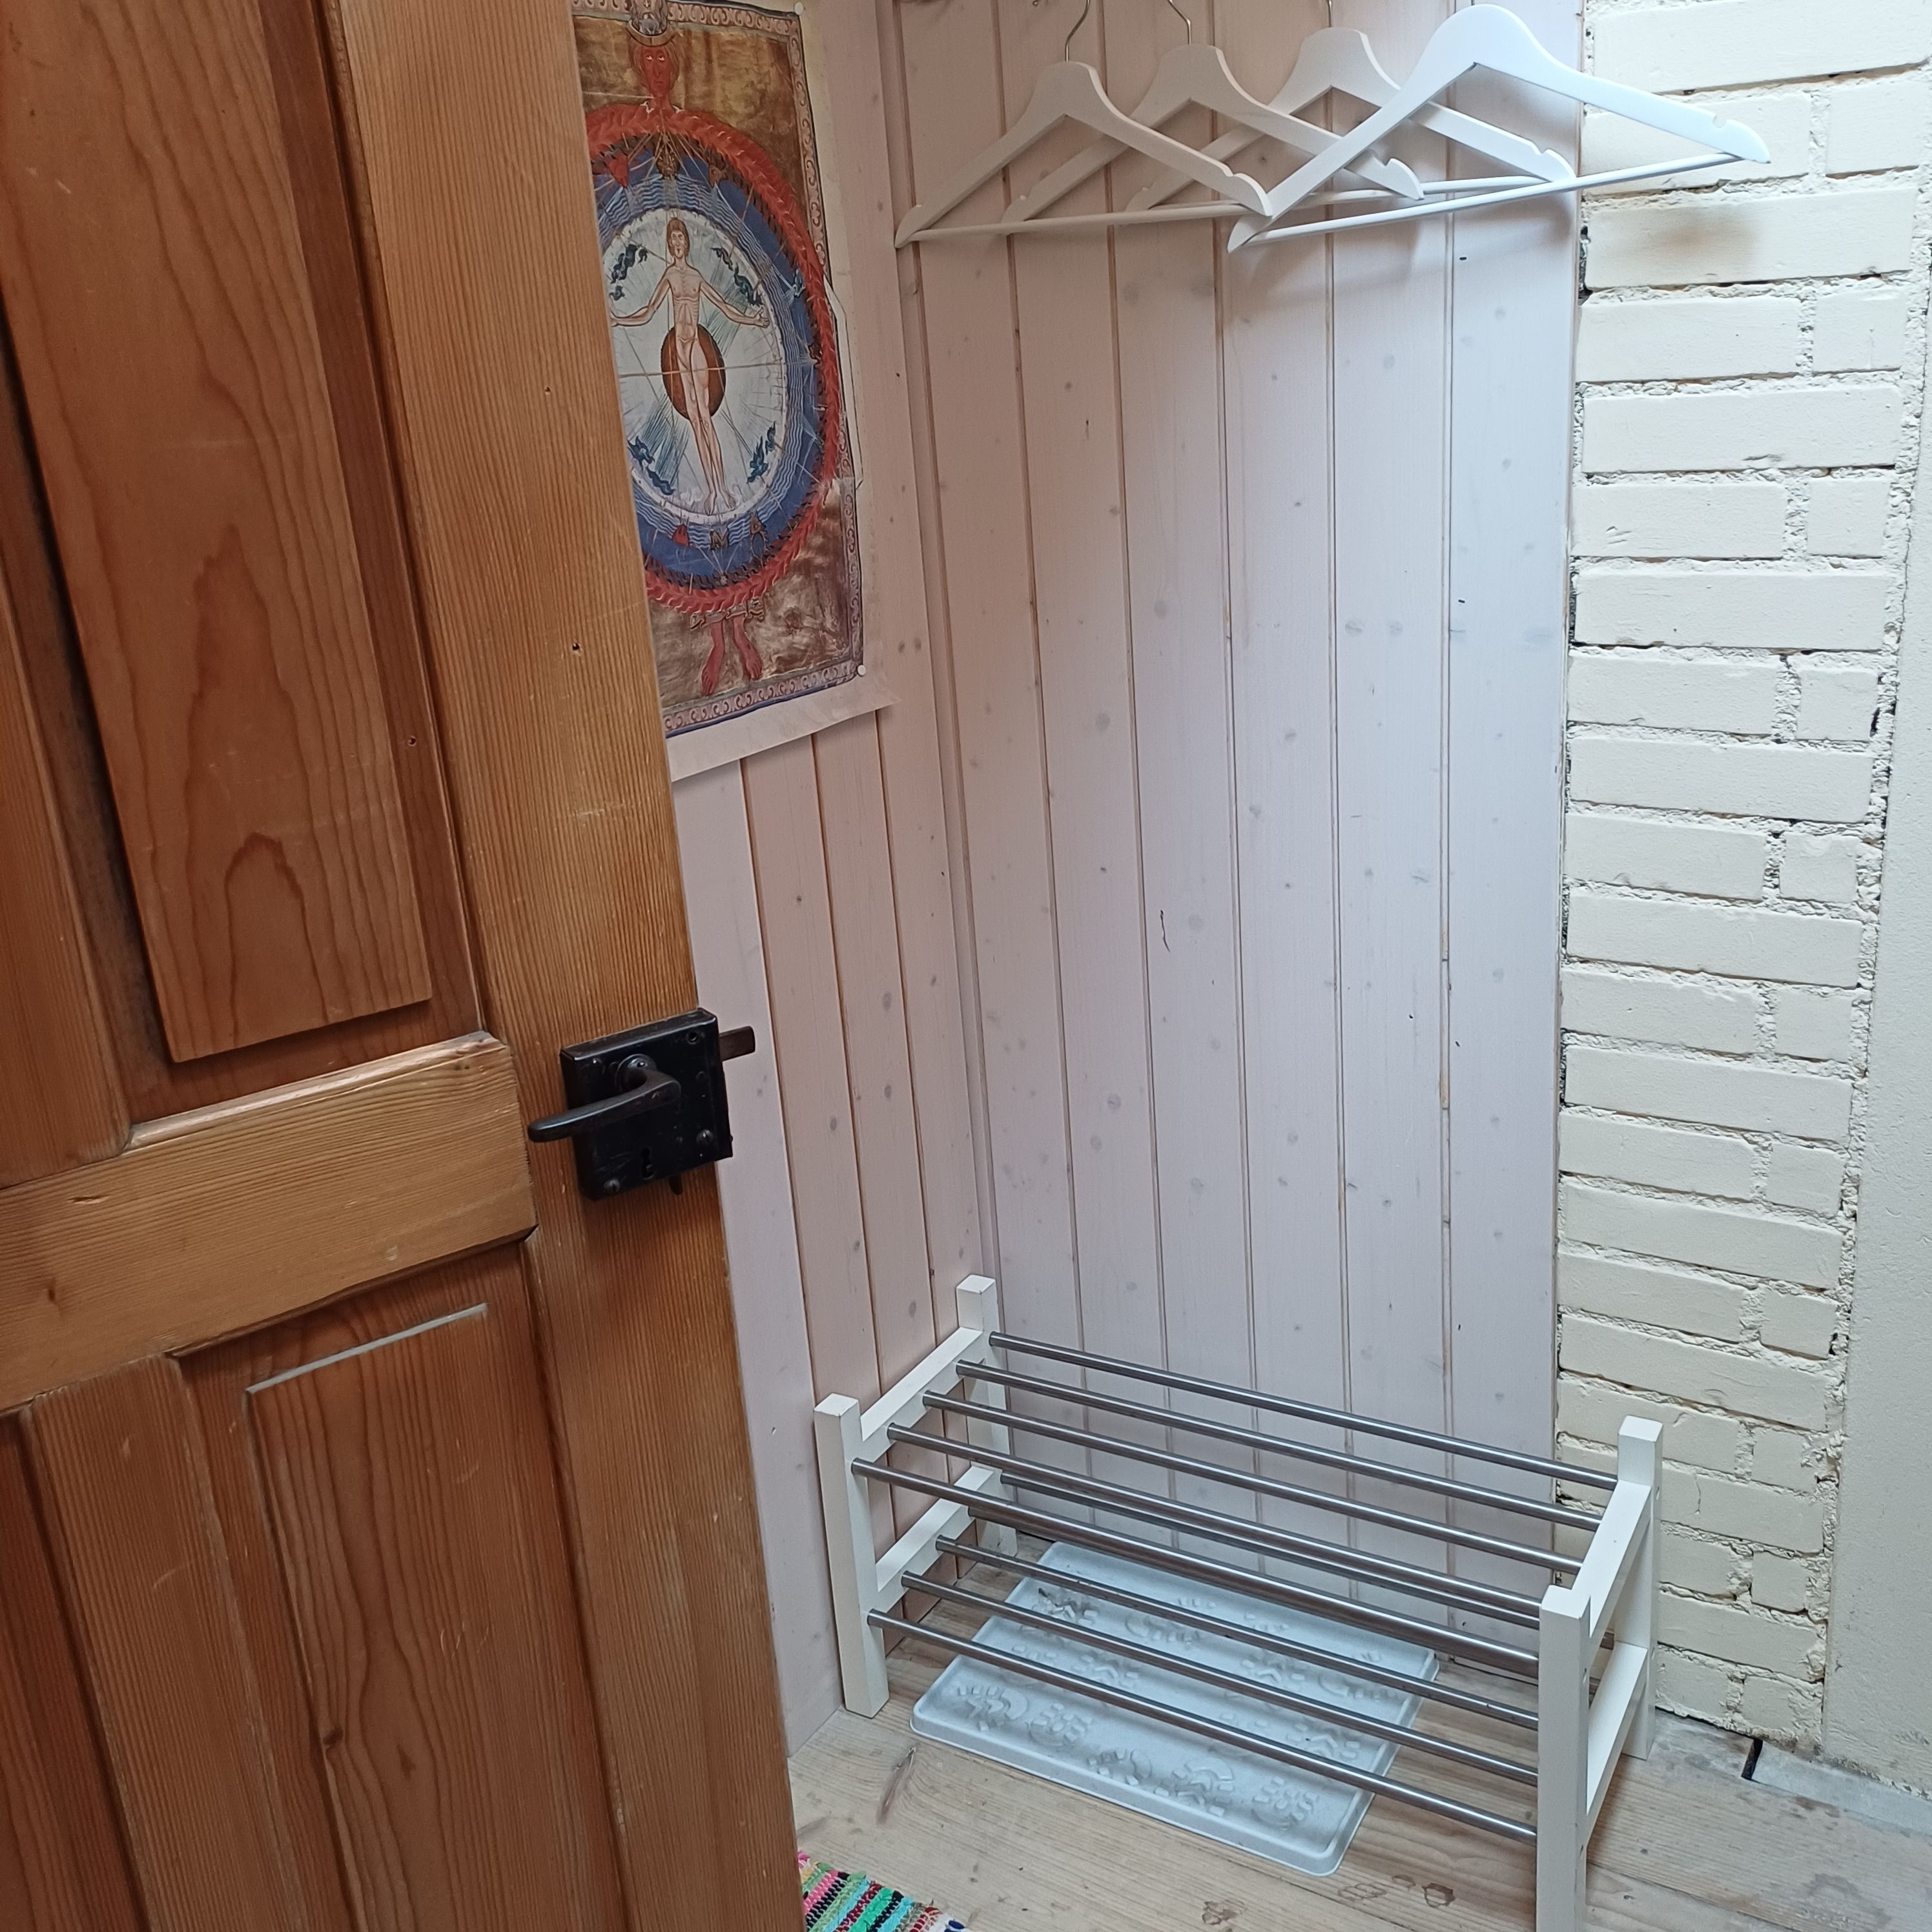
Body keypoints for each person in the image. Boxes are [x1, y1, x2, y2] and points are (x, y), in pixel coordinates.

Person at [617, 216, 766, 513]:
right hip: (679, 352)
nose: (677, 243)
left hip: (695, 347)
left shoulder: (696, 277)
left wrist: (752, 320)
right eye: (673, 239)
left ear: (687, 242)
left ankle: (723, 488)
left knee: (706, 418)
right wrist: (619, 319)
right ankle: (712, 490)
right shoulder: (670, 276)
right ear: (669, 245)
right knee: (695, 421)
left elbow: (724, 307)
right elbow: (649, 311)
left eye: (681, 237)